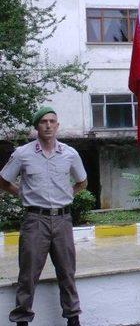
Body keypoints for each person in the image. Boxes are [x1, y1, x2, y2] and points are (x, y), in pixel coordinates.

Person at [0, 107, 87, 326]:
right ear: (36, 126)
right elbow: (3, 180)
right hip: (34, 221)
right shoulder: (23, 154)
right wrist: (22, 193)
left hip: (62, 220)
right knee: (28, 274)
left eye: (52, 121)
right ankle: (22, 319)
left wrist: (68, 194)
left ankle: (73, 319)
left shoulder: (70, 153)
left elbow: (82, 182)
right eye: (43, 121)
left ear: (57, 126)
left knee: (67, 272)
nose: (48, 125)